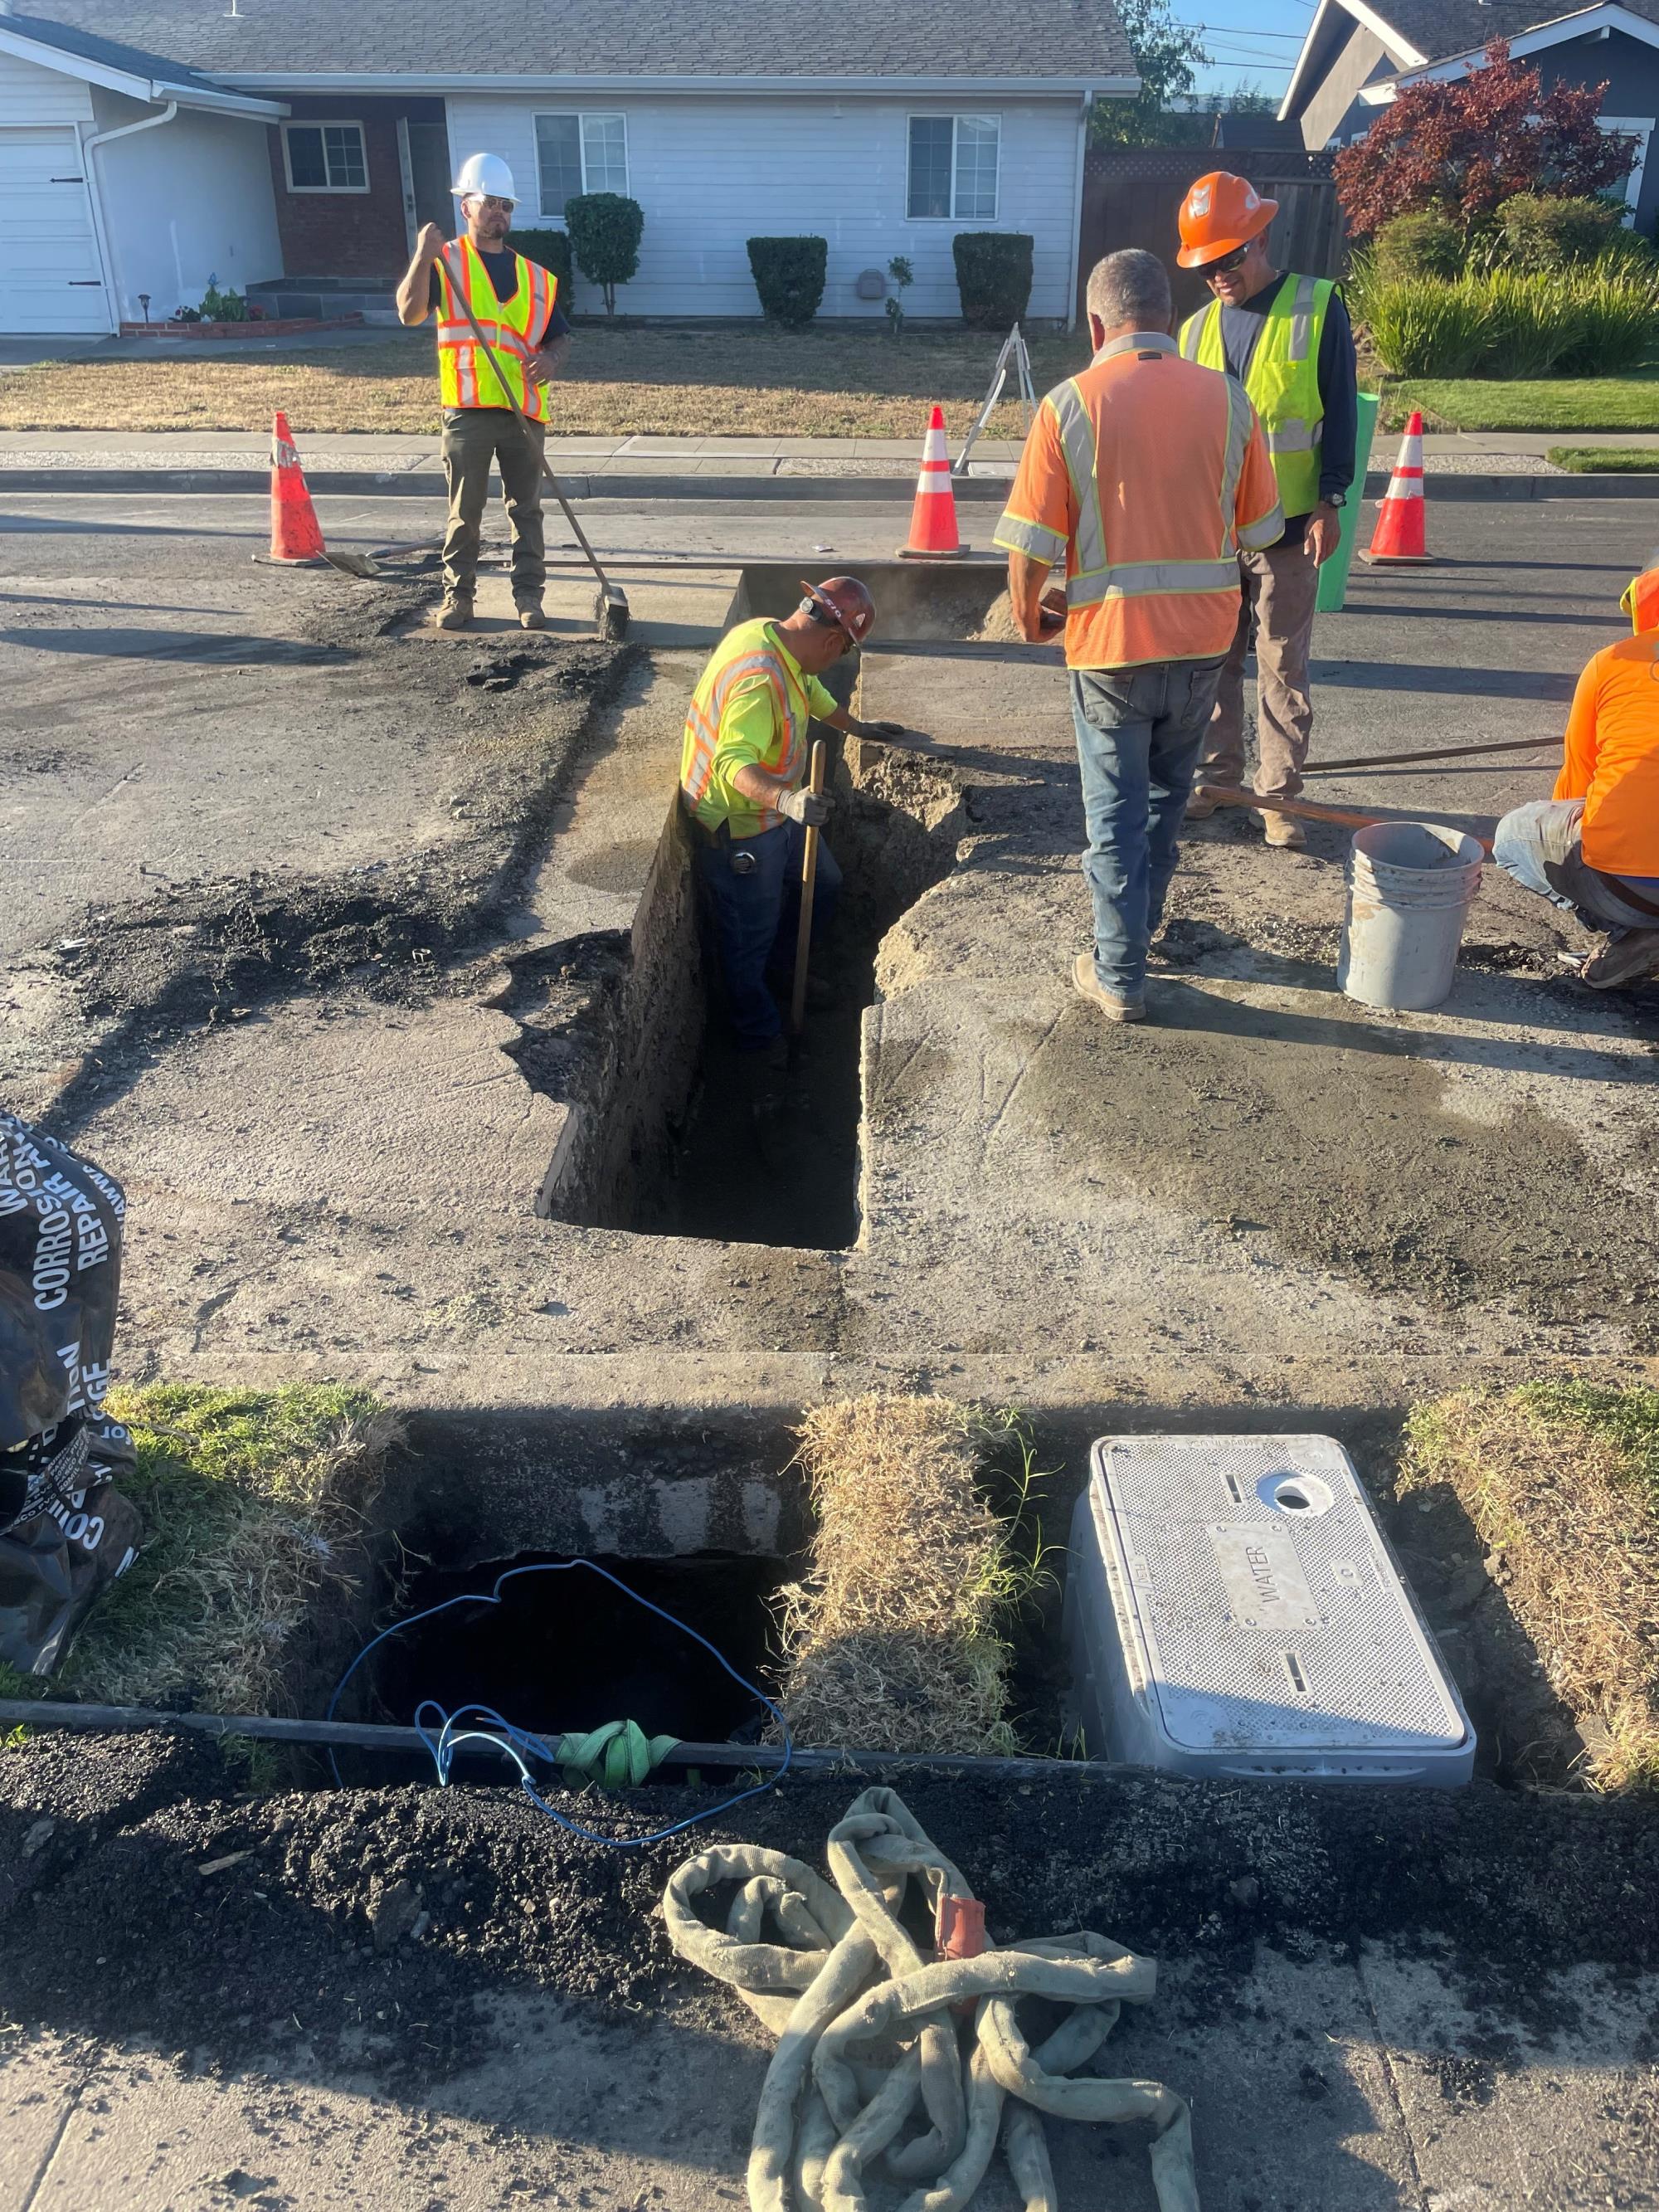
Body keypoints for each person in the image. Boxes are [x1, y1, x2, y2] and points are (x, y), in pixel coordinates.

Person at [994, 249, 1282, 1024]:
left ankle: (1120, 975)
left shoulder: (1070, 405)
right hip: (1202, 645)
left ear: (1097, 324)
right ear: (1169, 316)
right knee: (1164, 798)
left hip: (1110, 650)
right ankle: (1139, 933)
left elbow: (1029, 545)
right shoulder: (1229, 400)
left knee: (1114, 815)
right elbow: (1260, 527)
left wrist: (1028, 618)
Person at [1173, 171, 1360, 850]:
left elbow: (1339, 411)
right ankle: (1217, 781)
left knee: (1282, 663)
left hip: (1288, 525)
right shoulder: (1193, 333)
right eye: (1206, 267)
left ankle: (1278, 799)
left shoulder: (1316, 307)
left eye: (1226, 260)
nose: (1217, 276)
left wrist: (1331, 500)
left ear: (1257, 239)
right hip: (1215, 533)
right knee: (1211, 662)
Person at [680, 578, 903, 1092]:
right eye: (843, 650)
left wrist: (856, 726)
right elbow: (731, 764)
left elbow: (813, 691)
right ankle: (759, 1040)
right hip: (740, 825)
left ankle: (786, 971)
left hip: (776, 814)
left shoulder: (772, 636)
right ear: (832, 642)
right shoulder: (761, 678)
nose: (836, 660)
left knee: (823, 883)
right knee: (746, 940)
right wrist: (789, 800)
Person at [396, 153, 572, 632]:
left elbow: (558, 336)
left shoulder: (538, 278)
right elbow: (409, 314)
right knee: (464, 513)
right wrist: (421, 256)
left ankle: (529, 599)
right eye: (490, 203)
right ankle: (460, 598)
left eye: (506, 206)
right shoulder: (445, 261)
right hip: (468, 411)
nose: (500, 213)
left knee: (527, 511)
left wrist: (552, 360)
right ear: (466, 207)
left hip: (523, 412)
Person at [1492, 558, 1659, 991]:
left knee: (1512, 836)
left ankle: (1634, 933)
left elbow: (1578, 777)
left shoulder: (1614, 663)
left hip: (1629, 887)